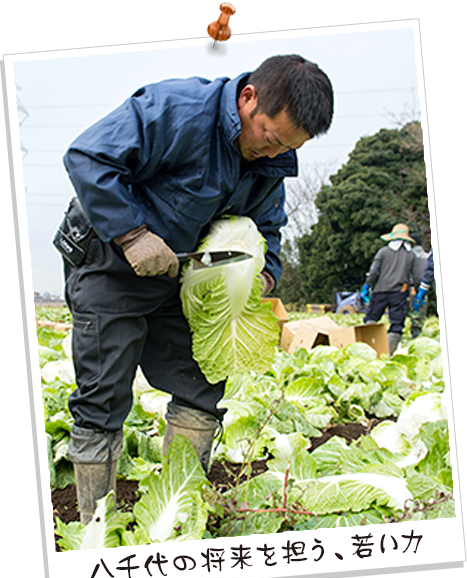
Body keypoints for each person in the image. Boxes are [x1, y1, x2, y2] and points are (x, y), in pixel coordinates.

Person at [55, 54, 334, 524]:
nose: (271, 153)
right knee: (102, 398)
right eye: (268, 137)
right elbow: (87, 157)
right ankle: (93, 527)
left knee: (203, 385)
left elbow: (268, 228)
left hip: (183, 279)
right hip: (111, 261)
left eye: (286, 147)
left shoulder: (275, 159)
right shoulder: (178, 109)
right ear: (249, 98)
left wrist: (262, 276)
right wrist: (132, 234)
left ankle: (179, 513)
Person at [361, 223, 420, 356]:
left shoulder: (383, 252)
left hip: (380, 291)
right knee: (396, 324)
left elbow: (374, 271)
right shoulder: (411, 255)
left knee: (371, 318)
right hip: (399, 293)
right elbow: (416, 277)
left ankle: (369, 350)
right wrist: (418, 292)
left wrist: (368, 285)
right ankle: (387, 352)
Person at [407, 233, 429, 338]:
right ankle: (417, 334)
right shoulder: (427, 256)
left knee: (408, 312)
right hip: (423, 289)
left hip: (409, 288)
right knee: (420, 314)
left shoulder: (409, 256)